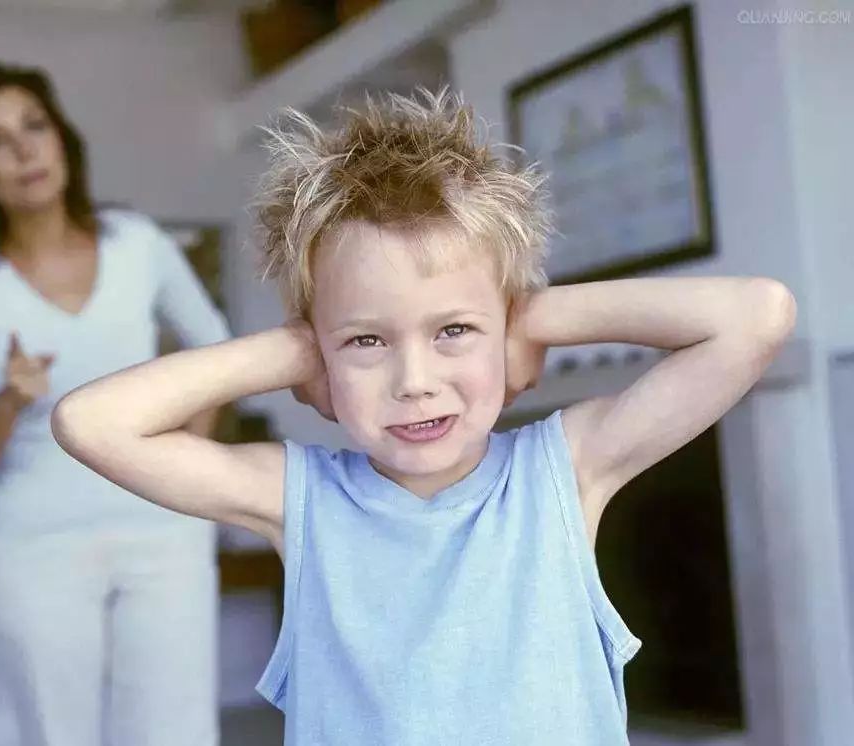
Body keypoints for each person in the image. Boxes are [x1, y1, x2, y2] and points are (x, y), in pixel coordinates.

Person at [50, 89, 796, 744]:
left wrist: (528, 322)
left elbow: (758, 316)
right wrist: (295, 352)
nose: (415, 382)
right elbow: (90, 422)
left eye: (453, 332)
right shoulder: (301, 502)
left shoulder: (562, 471)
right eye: (368, 341)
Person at [0, 63, 230, 746]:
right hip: (37, 547)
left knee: (176, 733)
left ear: (63, 139)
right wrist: (9, 398)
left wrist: (190, 461)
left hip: (163, 530)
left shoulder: (136, 242)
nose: (25, 149)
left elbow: (217, 351)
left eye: (35, 125)